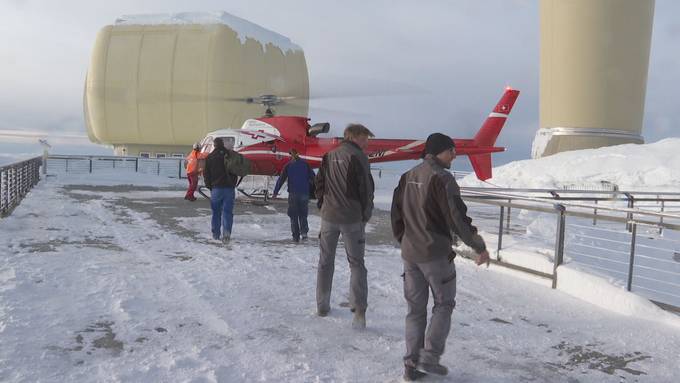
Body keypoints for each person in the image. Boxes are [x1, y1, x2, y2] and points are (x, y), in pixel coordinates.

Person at [391, 132, 490, 380]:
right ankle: (429, 358)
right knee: (444, 304)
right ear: (437, 152)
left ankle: (411, 366)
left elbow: (396, 213)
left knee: (415, 310)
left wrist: (403, 239)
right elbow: (457, 218)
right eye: (451, 151)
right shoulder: (443, 179)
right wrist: (478, 246)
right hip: (434, 254)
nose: (455, 156)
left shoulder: (407, 176)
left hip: (411, 253)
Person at [314, 123, 375, 330]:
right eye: (365, 138)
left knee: (325, 261)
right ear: (355, 137)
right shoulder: (359, 158)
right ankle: (359, 311)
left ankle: (322, 306)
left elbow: (319, 183)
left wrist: (323, 205)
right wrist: (365, 215)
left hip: (328, 217)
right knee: (357, 263)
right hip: (352, 218)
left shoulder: (329, 156)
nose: (367, 142)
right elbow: (366, 190)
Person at [272, 148, 316, 242]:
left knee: (293, 215)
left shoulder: (288, 165)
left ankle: (295, 236)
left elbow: (281, 180)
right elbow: (313, 177)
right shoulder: (305, 164)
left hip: (293, 194)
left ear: (290, 155)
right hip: (304, 193)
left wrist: (275, 192)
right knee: (303, 214)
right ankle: (304, 234)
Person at [203, 137, 238, 243]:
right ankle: (227, 234)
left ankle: (216, 235)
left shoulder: (210, 157)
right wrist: (233, 183)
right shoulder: (230, 155)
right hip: (229, 188)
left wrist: (210, 186)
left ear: (214, 145)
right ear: (222, 144)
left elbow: (206, 174)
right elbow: (235, 171)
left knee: (216, 212)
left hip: (216, 189)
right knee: (227, 212)